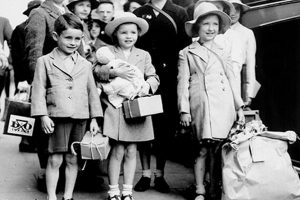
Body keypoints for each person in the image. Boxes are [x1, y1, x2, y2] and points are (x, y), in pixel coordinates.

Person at [31, 13, 103, 200]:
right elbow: (38, 91)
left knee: (73, 159)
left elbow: (92, 93)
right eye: (68, 37)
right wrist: (43, 116)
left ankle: (68, 196)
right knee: (55, 159)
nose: (73, 42)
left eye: (78, 38)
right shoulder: (45, 61)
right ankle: (52, 196)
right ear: (56, 36)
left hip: (80, 117)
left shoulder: (85, 64)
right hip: (56, 118)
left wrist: (95, 118)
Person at [177, 2, 245, 200]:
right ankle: (200, 189)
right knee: (201, 148)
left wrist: (239, 106)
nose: (211, 28)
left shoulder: (223, 50)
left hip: (223, 104)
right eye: (206, 23)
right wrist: (184, 110)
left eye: (214, 24)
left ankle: (215, 188)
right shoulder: (187, 52)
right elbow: (182, 83)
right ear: (197, 26)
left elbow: (232, 78)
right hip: (201, 104)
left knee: (218, 149)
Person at [93, 12, 159, 200]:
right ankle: (113, 190)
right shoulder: (107, 51)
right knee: (118, 149)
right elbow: (96, 71)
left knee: (132, 150)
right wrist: (114, 71)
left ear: (138, 34)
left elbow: (153, 75)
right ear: (115, 35)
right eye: (123, 32)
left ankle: (127, 191)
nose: (129, 36)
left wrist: (148, 85)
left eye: (133, 32)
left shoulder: (143, 54)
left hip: (136, 106)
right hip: (115, 107)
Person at [133, 0, 192, 193]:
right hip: (143, 79)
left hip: (168, 80)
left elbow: (184, 48)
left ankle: (160, 174)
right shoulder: (140, 12)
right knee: (143, 125)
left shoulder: (179, 12)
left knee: (164, 129)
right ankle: (145, 173)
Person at [24, 0, 70, 191]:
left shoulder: (66, 10)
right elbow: (34, 50)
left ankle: (63, 177)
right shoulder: (39, 13)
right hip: (50, 80)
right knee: (49, 132)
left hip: (70, 81)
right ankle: (49, 177)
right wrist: (39, 83)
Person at [10, 0, 42, 153]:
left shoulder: (36, 27)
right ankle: (25, 141)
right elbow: (17, 56)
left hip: (33, 74)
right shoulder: (20, 29)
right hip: (24, 76)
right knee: (24, 108)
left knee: (33, 109)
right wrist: (22, 79)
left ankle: (31, 140)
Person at [229, 0, 257, 106]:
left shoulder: (247, 33)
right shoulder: (217, 31)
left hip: (238, 81)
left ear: (241, 11)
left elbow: (250, 66)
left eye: (236, 9)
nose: (233, 13)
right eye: (230, 9)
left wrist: (249, 94)